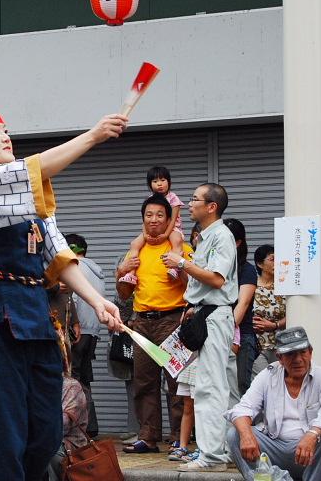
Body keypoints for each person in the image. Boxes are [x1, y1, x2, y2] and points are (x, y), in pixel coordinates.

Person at [0, 106, 125, 479]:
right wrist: (93, 135)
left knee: (46, 427)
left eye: (6, 129)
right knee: (1, 422)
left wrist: (97, 301)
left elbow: (58, 256)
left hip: (31, 309)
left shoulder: (31, 197)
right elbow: (30, 171)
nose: (6, 136)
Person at [162, 183, 239, 472]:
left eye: (195, 199)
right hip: (207, 314)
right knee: (220, 387)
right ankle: (224, 451)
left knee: (209, 387)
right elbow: (204, 282)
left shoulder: (220, 236)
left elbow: (217, 279)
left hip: (215, 316)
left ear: (211, 207)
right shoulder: (207, 236)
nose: (189, 204)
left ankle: (212, 457)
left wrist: (181, 262)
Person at [117, 194, 191, 453]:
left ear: (170, 220)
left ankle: (178, 437)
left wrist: (179, 268)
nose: (154, 220)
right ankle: (148, 437)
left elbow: (195, 286)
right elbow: (124, 294)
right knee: (144, 382)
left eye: (160, 215)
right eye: (149, 215)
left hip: (173, 320)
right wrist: (121, 271)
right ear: (143, 219)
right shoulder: (135, 251)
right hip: (142, 322)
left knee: (176, 381)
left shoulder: (181, 248)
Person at [226, 327, 321, 481]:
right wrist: (246, 435)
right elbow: (243, 408)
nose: (298, 359)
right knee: (235, 435)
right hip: (275, 448)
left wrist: (312, 434)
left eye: (302, 352)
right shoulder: (268, 375)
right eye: (290, 354)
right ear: (280, 357)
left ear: (310, 352)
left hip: (310, 451)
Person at [64, 233, 103, 437]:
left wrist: (72, 323)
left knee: (73, 378)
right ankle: (90, 426)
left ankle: (81, 427)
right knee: (83, 380)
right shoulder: (97, 271)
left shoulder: (75, 268)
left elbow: (74, 299)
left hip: (77, 332)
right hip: (93, 332)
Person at [119, 166, 185, 283]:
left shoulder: (173, 198)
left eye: (163, 180)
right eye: (155, 181)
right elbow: (145, 220)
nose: (159, 184)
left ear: (169, 182)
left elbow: (173, 220)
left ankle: (174, 268)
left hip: (172, 228)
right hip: (152, 230)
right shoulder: (149, 199)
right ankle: (131, 274)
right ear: (150, 185)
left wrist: (165, 235)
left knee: (177, 241)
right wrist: (145, 235)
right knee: (134, 244)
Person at [107, 253, 139, 445]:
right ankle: (134, 428)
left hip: (138, 338)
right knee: (133, 384)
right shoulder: (122, 286)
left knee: (140, 385)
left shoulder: (131, 288)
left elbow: (124, 308)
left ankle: (140, 430)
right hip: (130, 340)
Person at [224, 218, 258, 396]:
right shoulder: (215, 266)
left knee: (240, 387)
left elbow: (242, 304)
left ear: (238, 243)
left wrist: (225, 331)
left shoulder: (247, 270)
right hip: (217, 333)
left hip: (240, 335)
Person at [251, 244, 286, 377]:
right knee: (264, 381)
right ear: (260, 264)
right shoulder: (251, 286)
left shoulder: (283, 286)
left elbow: (294, 312)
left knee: (280, 383)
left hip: (281, 347)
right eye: (272, 259)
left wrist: (275, 325)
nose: (276, 263)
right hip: (257, 347)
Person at [48, 376, 90, 479]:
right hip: (44, 436)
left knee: (44, 446)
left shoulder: (71, 386)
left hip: (69, 446)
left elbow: (61, 427)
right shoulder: (30, 384)